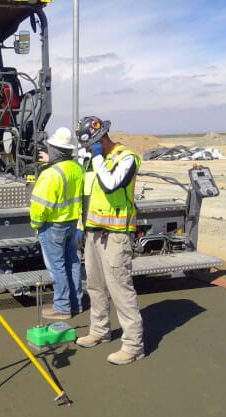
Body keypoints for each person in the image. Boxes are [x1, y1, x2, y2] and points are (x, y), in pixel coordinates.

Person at [74, 115, 145, 365]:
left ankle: (133, 346)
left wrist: (96, 157)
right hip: (93, 232)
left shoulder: (127, 158)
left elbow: (110, 184)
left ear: (102, 138)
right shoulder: (93, 160)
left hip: (116, 236)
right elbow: (86, 194)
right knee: (95, 286)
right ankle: (99, 331)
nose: (88, 149)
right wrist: (81, 228)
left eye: (92, 144)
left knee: (120, 289)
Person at [30, 127, 84, 320]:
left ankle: (61, 307)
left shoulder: (50, 174)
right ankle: (75, 303)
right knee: (73, 263)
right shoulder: (77, 168)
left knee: (57, 267)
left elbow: (40, 206)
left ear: (55, 150)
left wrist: (36, 225)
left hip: (52, 225)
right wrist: (50, 162)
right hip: (71, 222)